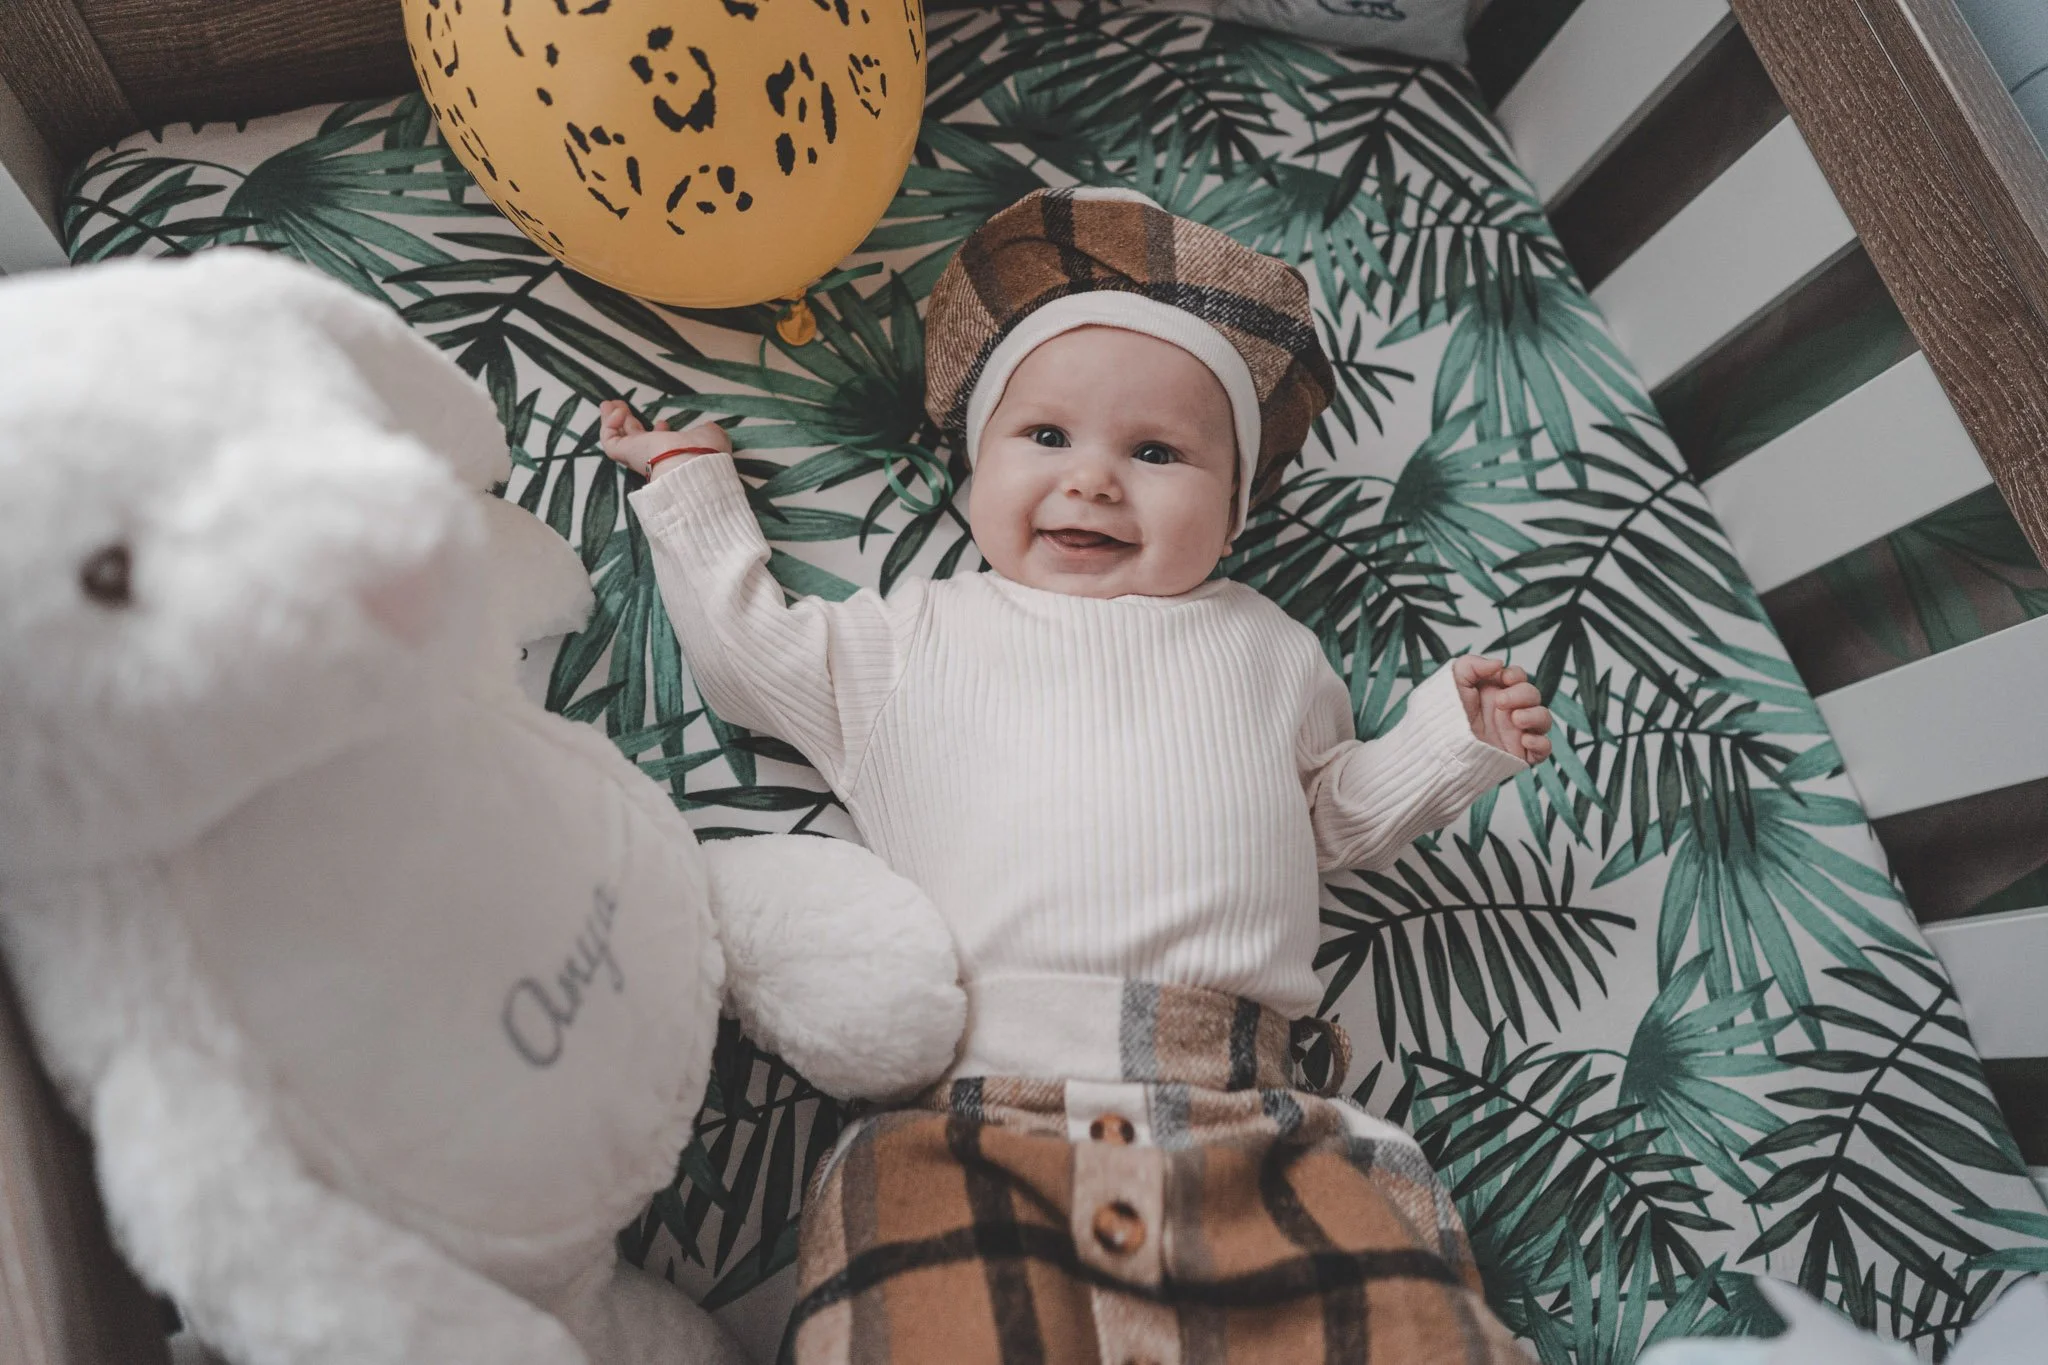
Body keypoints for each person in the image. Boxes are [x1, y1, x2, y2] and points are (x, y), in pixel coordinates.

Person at [601, 186, 1546, 1364]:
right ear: (974, 468)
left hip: (1253, 1121)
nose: (1094, 480)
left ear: (1234, 511)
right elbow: (752, 654)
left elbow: (1327, 819)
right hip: (970, 1116)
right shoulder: (911, 638)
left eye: (1155, 453)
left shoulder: (1267, 646)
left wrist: (1443, 744)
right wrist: (690, 493)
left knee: (1379, 1322)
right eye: (1045, 437)